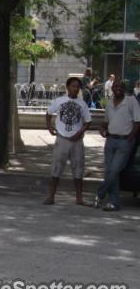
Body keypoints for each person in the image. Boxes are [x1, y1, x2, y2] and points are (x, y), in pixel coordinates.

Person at [44, 77, 92, 206]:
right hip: (62, 139)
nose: (75, 89)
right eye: (73, 86)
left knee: (78, 169)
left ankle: (79, 198)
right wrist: (49, 126)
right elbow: (48, 113)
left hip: (77, 141)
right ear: (68, 87)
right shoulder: (59, 101)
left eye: (77, 86)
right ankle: (51, 196)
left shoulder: (82, 104)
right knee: (56, 168)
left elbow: (88, 122)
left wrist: (79, 133)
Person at [94, 80, 140, 211]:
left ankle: (99, 193)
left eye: (120, 87)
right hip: (110, 141)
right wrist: (102, 129)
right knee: (110, 172)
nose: (117, 89)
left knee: (114, 170)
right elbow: (106, 122)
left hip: (124, 141)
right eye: (115, 87)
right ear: (112, 89)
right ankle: (114, 203)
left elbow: (138, 122)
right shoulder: (109, 104)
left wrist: (130, 139)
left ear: (124, 89)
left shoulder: (131, 101)